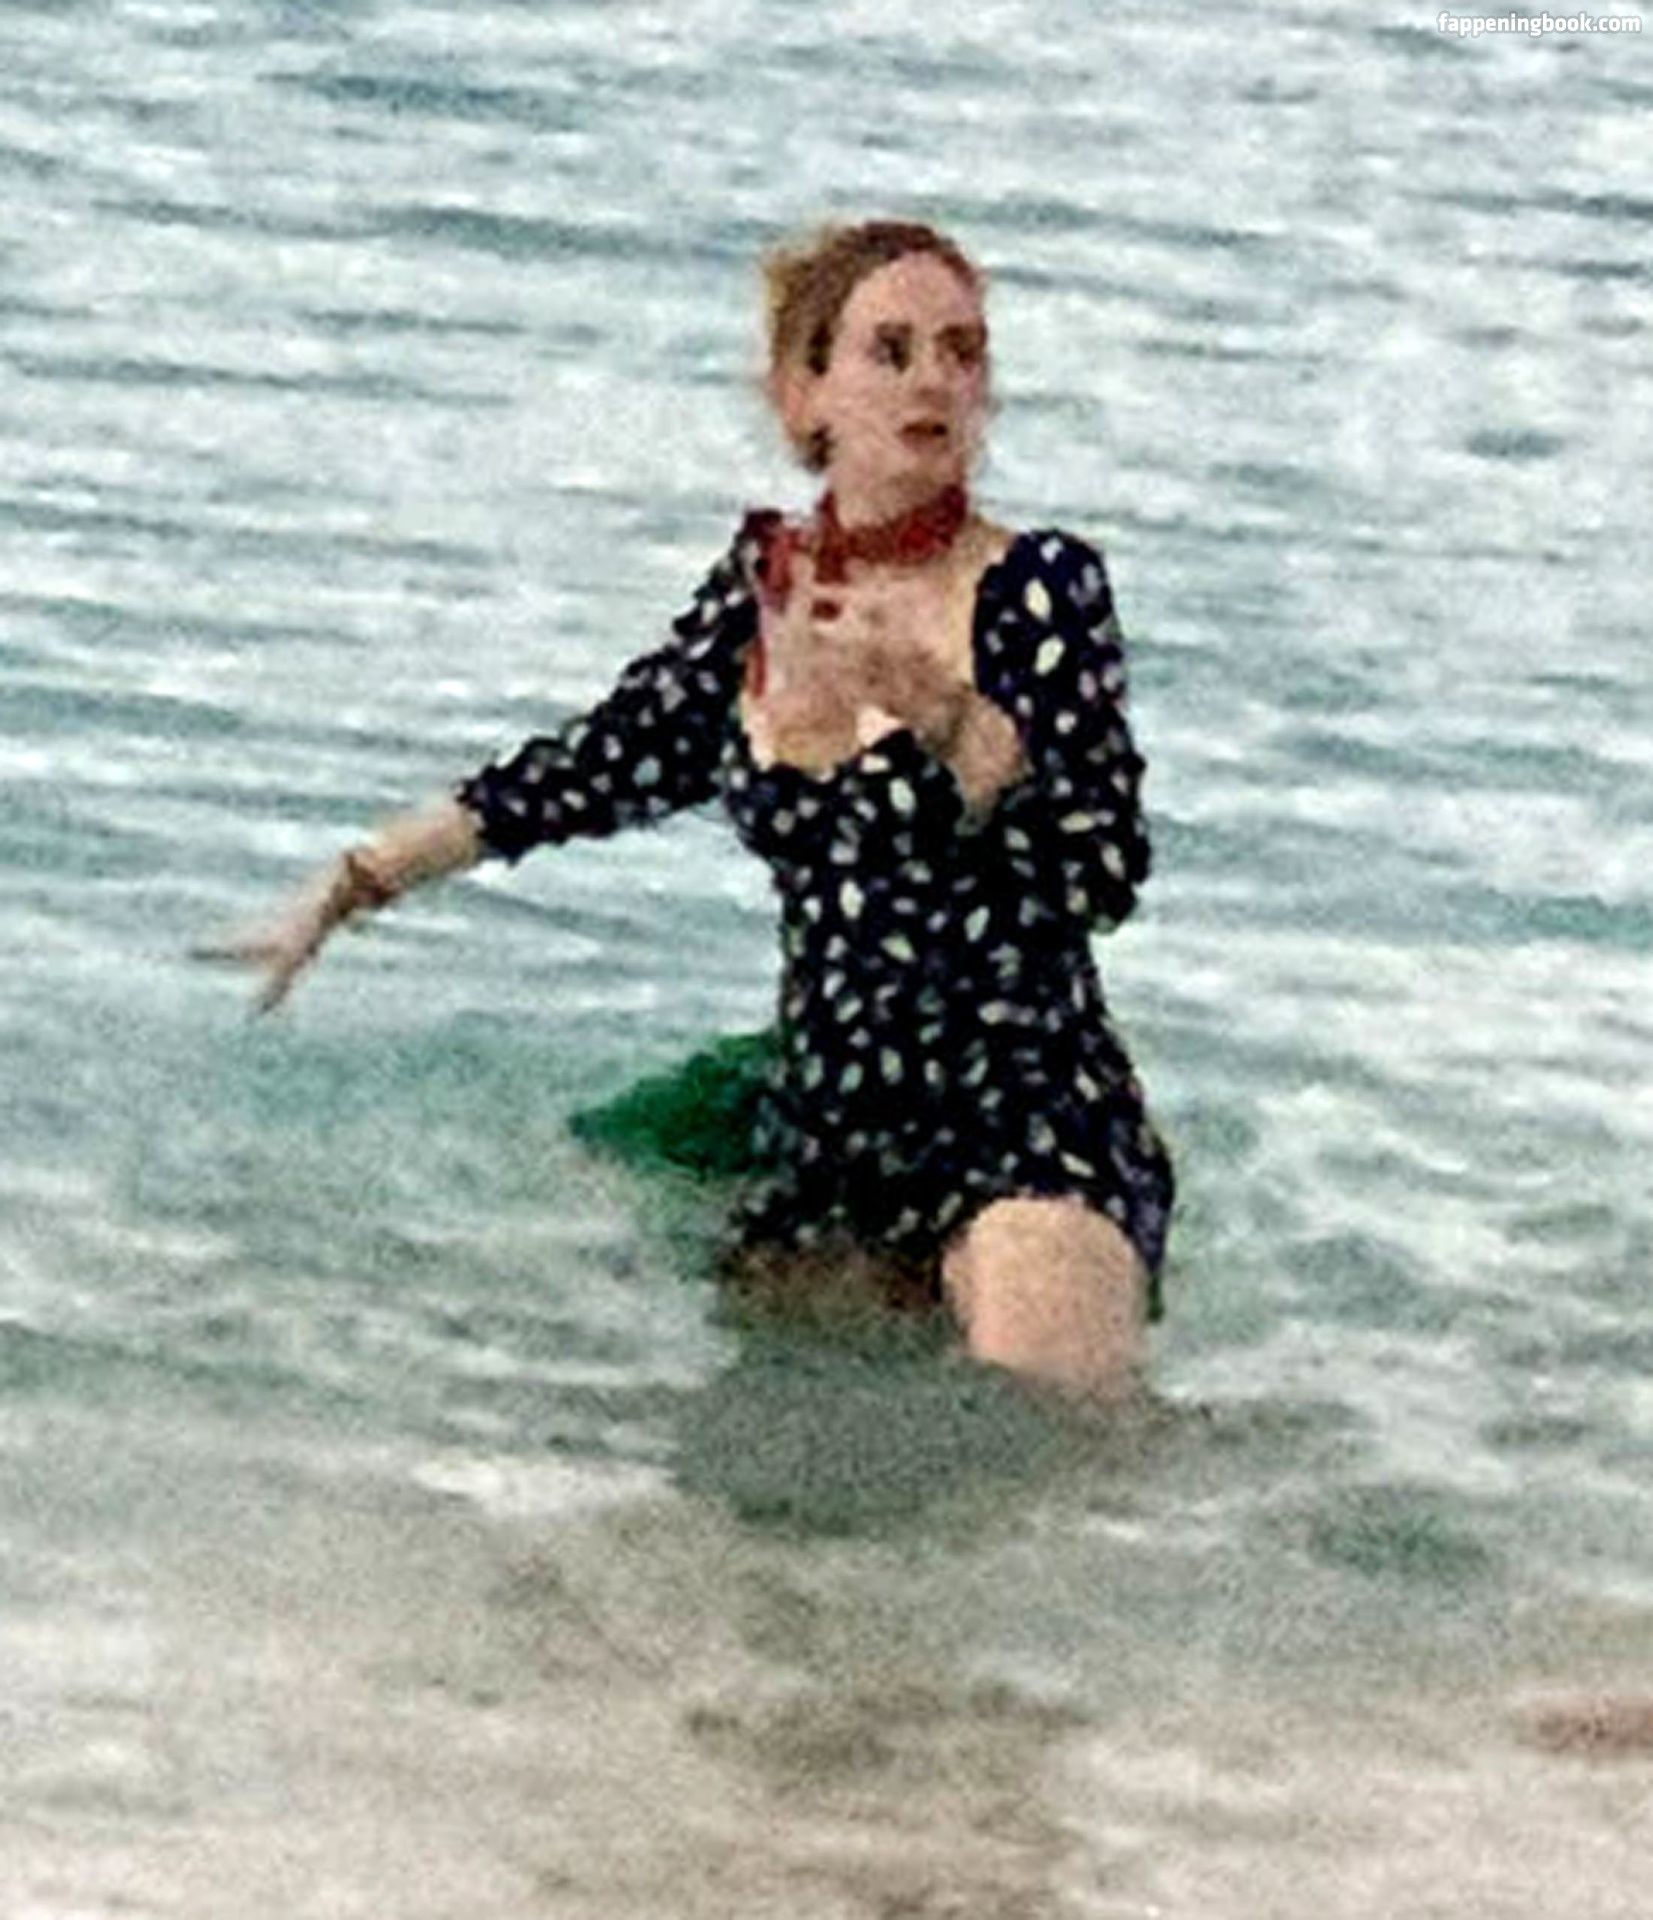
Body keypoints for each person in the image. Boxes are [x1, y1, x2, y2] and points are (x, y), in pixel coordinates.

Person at [205, 219, 1175, 1399]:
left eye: (962, 351)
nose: (934, 379)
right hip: (832, 1132)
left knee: (1059, 1438)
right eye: (892, 350)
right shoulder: (766, 590)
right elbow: (597, 766)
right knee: (754, 1472)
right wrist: (355, 881)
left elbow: (1102, 874)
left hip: (1026, 1113)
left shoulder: (1040, 588)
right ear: (803, 396)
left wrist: (951, 719)